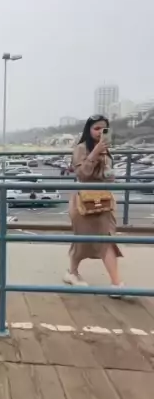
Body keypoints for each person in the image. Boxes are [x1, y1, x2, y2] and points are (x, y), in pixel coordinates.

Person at [64, 115, 124, 294]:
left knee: (108, 238)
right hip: (84, 201)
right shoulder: (81, 148)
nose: (99, 132)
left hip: (104, 199)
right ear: (88, 130)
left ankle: (116, 284)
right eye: (96, 128)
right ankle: (72, 272)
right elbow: (82, 174)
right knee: (82, 240)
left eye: (103, 129)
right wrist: (95, 153)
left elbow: (109, 176)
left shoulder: (107, 150)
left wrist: (108, 169)